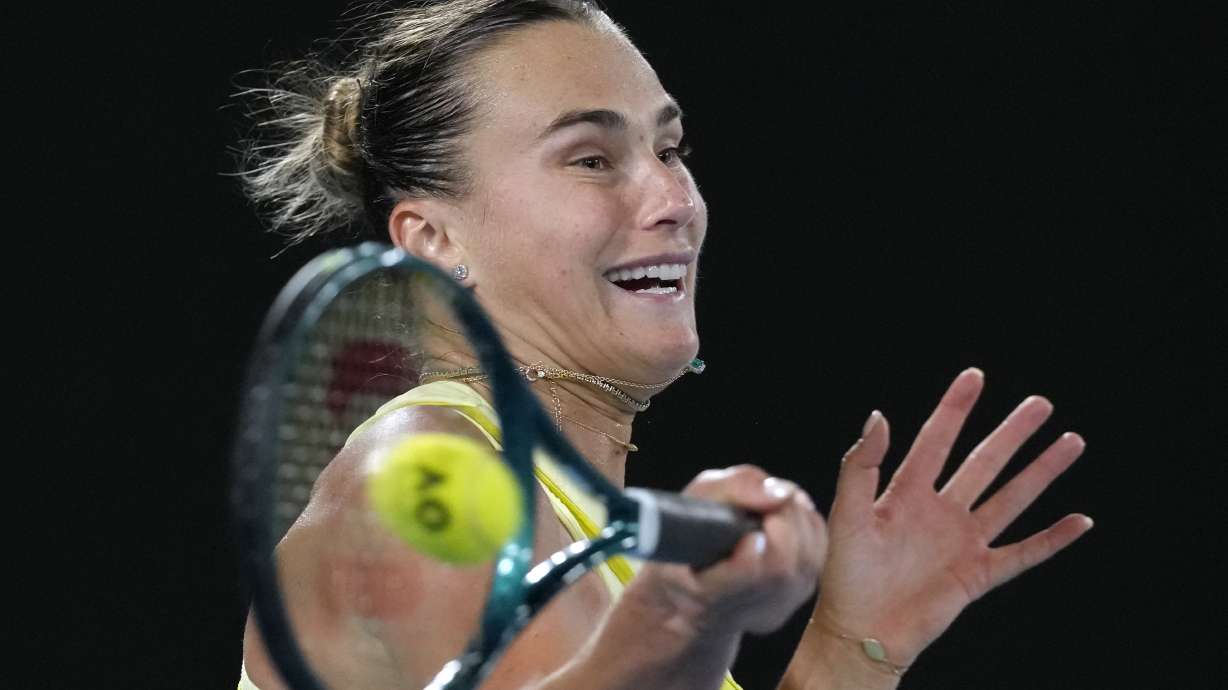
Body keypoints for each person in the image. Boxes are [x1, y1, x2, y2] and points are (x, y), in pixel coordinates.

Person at [235, 2, 1093, 688]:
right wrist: (686, 614)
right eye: (591, 159)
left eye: (669, 148)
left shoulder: (554, 500)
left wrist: (850, 645)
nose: (675, 198)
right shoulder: (419, 476)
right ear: (431, 240)